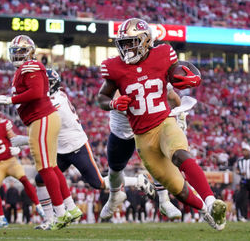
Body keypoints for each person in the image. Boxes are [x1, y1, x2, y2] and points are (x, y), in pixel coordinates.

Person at [97, 18, 226, 230]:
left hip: (163, 122)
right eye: (124, 44)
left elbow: (178, 74)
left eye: (131, 42)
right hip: (142, 137)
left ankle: (211, 201)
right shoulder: (115, 68)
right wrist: (112, 103)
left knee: (180, 154)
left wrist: (190, 78)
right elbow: (101, 97)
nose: (127, 48)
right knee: (178, 189)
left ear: (146, 40)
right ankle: (205, 211)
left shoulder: (163, 54)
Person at [11, 69, 155, 229]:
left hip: (76, 146)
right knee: (40, 179)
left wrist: (24, 140)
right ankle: (50, 219)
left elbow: (44, 131)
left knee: (98, 183)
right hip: (59, 148)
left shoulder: (56, 101)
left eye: (46, 83)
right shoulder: (55, 97)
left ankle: (138, 181)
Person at [0, 34, 79, 230]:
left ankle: (60, 213)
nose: (17, 55)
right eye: (15, 51)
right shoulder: (23, 69)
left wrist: (10, 100)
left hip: (42, 118)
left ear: (30, 52)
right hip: (41, 118)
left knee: (45, 168)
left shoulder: (30, 66)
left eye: (22, 51)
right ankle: (69, 208)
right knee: (51, 166)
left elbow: (37, 92)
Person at [99, 83, 191, 221]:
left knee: (156, 161)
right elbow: (116, 101)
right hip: (123, 132)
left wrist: (180, 115)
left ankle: (165, 201)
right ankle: (114, 198)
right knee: (114, 171)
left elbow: (173, 97)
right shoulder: (118, 76)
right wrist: (141, 106)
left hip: (147, 126)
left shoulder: (154, 73)